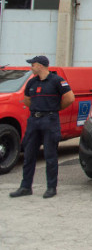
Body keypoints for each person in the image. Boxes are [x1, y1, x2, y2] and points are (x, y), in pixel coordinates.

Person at [9, 56, 75, 199]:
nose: (31, 68)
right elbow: (27, 100)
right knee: (29, 155)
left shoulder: (56, 80)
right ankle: (25, 187)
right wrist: (38, 109)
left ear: (40, 66)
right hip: (34, 120)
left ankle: (51, 187)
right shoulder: (32, 82)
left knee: (50, 155)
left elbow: (70, 98)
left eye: (32, 65)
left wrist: (54, 109)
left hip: (50, 120)